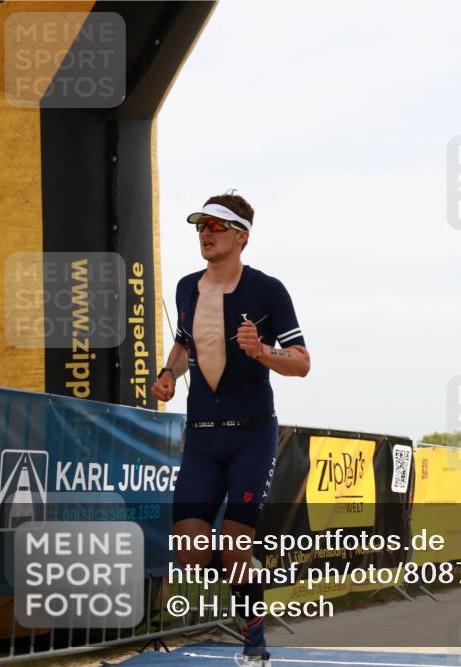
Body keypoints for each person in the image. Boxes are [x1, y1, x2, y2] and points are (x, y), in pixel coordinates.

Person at [152, 192, 310, 667]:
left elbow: (301, 363)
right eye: (201, 225)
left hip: (251, 433)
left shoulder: (267, 290)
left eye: (217, 227)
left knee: (235, 545)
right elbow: (184, 347)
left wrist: (261, 352)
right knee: (191, 553)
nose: (205, 233)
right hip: (202, 434)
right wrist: (167, 375)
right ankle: (248, 574)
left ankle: (254, 640)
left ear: (241, 236)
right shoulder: (185, 288)